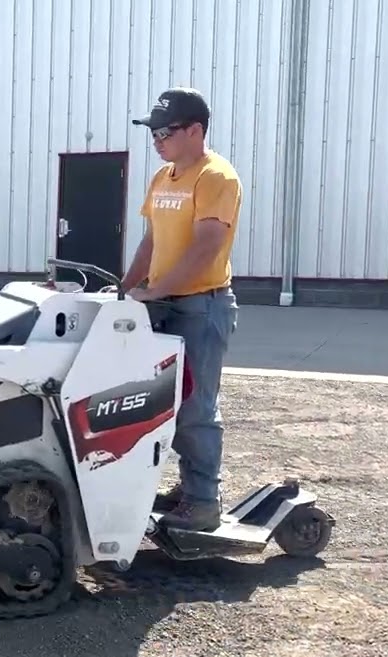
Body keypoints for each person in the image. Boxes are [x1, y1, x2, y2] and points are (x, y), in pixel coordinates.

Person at [121, 87, 241, 532]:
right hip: (164, 303)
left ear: (196, 130)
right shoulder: (164, 177)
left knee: (196, 407)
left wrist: (159, 290)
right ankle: (187, 489)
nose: (156, 139)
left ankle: (204, 500)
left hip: (200, 307)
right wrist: (126, 287)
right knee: (162, 404)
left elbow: (208, 244)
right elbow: (152, 240)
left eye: (165, 131)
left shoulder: (216, 177)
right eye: (152, 132)